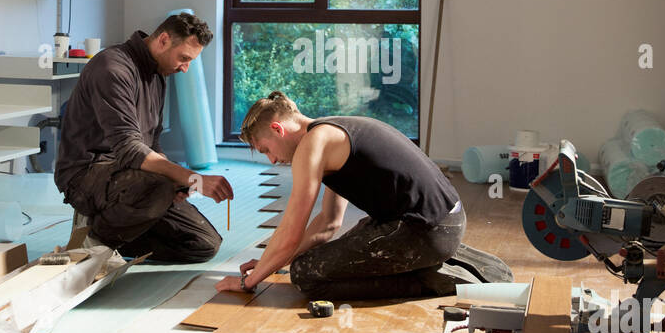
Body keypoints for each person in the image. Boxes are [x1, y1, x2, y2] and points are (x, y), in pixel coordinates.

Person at [216, 91, 512, 300]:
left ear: (277, 129)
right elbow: (329, 223)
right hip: (442, 220)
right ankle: (445, 257)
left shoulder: (312, 145)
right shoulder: (329, 130)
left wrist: (249, 281)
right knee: (336, 248)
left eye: (266, 149)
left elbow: (291, 232)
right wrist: (271, 259)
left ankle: (430, 278)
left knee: (306, 273)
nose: (271, 160)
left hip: (426, 229)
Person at [54, 13, 233, 263]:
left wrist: (177, 182)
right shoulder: (112, 68)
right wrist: (192, 178)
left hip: (130, 176)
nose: (185, 68)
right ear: (163, 40)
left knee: (203, 244)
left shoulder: (157, 75)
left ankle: (113, 235)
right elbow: (130, 149)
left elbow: (152, 144)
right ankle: (92, 241)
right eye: (183, 58)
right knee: (158, 186)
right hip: (86, 173)